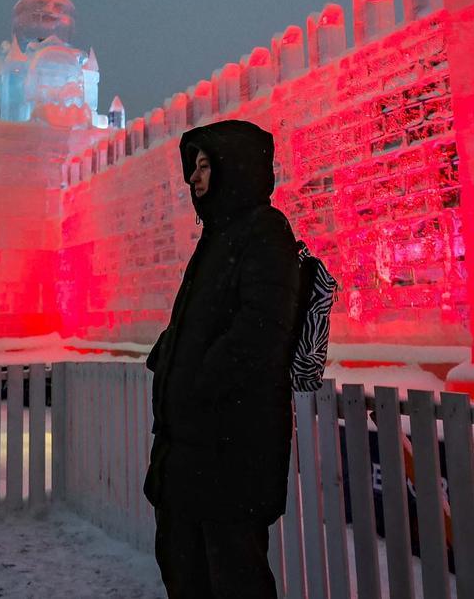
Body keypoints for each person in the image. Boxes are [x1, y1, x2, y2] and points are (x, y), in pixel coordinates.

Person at [143, 121, 301, 599]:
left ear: (234, 168)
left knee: (234, 580)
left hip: (230, 455)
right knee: (184, 573)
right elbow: (201, 326)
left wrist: (195, 387)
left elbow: (260, 333)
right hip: (191, 456)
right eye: (193, 167)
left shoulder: (265, 233)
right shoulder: (216, 240)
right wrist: (169, 357)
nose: (193, 178)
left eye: (205, 166)